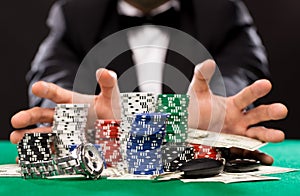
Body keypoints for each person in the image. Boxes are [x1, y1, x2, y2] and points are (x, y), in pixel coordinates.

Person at [10, 0, 288, 165]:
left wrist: (214, 110)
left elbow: (243, 69)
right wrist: (75, 117)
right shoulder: (75, 13)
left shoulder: (222, 10)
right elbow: (52, 75)